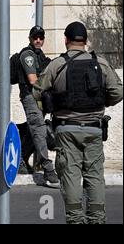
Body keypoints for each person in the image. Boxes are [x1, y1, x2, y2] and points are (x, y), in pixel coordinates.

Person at [33, 21, 123, 224]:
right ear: (85, 40)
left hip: (66, 130)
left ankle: (75, 219)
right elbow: (118, 91)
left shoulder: (57, 64)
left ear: (66, 40)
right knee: (94, 176)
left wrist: (49, 105)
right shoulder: (100, 62)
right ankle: (97, 219)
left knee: (71, 175)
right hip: (94, 129)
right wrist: (102, 102)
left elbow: (37, 91)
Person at [17, 25, 58, 183]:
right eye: (35, 37)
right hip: (30, 96)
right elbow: (33, 80)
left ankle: (20, 160)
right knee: (39, 128)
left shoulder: (40, 55)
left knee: (33, 129)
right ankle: (47, 168)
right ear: (30, 38)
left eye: (41, 37)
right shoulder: (28, 55)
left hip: (39, 97)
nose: (38, 40)